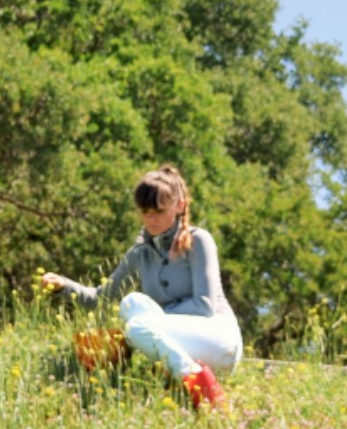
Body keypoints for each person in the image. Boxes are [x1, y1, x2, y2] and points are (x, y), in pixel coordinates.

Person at [40, 163, 242, 408]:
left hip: (220, 340)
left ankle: (200, 388)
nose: (150, 218)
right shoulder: (140, 252)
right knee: (130, 302)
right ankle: (190, 380)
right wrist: (63, 286)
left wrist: (141, 331)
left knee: (136, 327)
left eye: (158, 210)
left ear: (179, 206)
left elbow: (204, 306)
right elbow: (100, 298)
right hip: (183, 343)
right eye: (145, 211)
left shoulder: (199, 240)